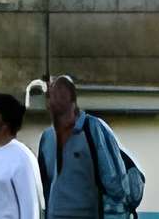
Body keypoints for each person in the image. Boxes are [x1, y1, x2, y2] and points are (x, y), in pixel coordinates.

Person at [36, 76, 134, 219]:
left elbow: (116, 186)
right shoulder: (47, 138)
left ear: (72, 100)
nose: (54, 100)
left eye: (60, 94)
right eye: (51, 95)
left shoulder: (93, 129)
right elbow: (44, 187)